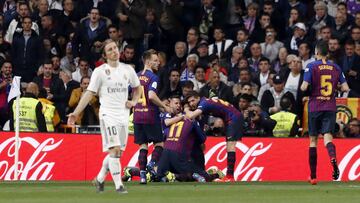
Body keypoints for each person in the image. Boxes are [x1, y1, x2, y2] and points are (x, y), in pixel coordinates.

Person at [67, 39, 141, 194]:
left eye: (115, 47)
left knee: (117, 153)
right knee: (114, 150)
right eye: (110, 49)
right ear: (105, 55)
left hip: (123, 115)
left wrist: (133, 101)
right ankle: (119, 186)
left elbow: (137, 88)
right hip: (108, 115)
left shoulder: (128, 69)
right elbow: (89, 93)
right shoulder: (100, 72)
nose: (114, 51)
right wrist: (76, 112)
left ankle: (100, 179)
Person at [300, 40, 350, 185]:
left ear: (316, 52)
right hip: (330, 106)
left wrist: (310, 86)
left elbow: (304, 87)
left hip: (315, 106)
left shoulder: (311, 66)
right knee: (328, 137)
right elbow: (346, 88)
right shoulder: (336, 67)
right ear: (327, 52)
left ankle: (313, 176)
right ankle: (333, 159)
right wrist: (336, 87)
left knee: (313, 140)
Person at [185, 91, 244, 181]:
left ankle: (230, 177)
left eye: (193, 101)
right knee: (230, 146)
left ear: (198, 98)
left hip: (233, 117)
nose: (191, 104)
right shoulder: (205, 101)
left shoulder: (203, 103)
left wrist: (186, 108)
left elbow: (191, 115)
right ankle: (229, 176)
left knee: (230, 146)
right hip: (232, 117)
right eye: (189, 102)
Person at [133, 49, 170, 184]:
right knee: (159, 143)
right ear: (147, 62)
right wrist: (164, 106)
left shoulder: (135, 76)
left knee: (143, 145)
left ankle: (143, 175)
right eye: (155, 61)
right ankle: (152, 164)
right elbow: (151, 96)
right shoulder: (153, 77)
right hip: (150, 115)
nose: (158, 63)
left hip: (137, 115)